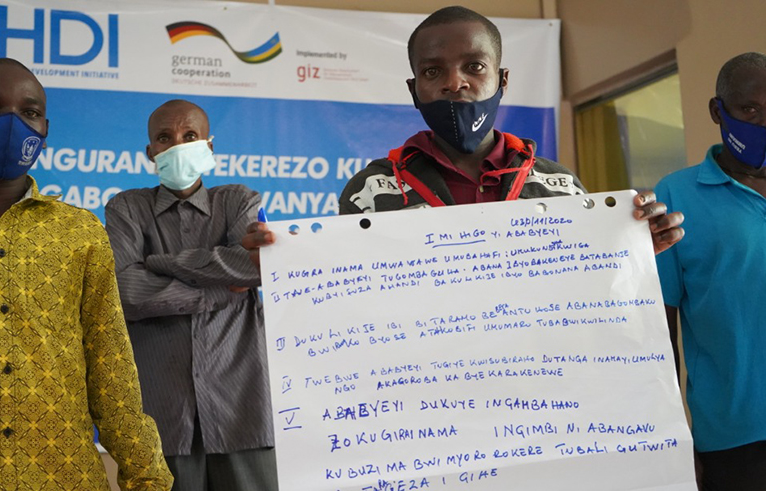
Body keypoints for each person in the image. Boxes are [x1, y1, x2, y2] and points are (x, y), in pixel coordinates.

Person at [242, 6, 684, 262]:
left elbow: (589, 282)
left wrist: (631, 251)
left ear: (502, 79)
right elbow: (346, 286)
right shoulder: (371, 191)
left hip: (543, 392)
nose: (455, 83)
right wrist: (284, 262)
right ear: (415, 91)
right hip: (425, 398)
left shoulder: (558, 186)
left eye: (475, 66)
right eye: (434, 72)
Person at [0, 58, 172, 490]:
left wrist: (146, 477)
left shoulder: (78, 232)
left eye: (29, 112)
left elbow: (110, 367)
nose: (11, 123)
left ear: (45, 129)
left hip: (63, 477)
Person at [104, 100, 277, 491]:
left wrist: (160, 263)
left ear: (209, 147)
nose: (177, 146)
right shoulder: (127, 207)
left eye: (190, 136)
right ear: (150, 152)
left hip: (243, 408)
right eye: (164, 138)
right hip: (162, 418)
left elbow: (255, 267)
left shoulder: (237, 200)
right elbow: (126, 292)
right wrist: (220, 289)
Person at [654, 52, 766, 491]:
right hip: (733, 438)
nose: (761, 124)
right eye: (749, 110)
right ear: (718, 111)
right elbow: (661, 333)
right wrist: (673, 438)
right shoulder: (676, 196)